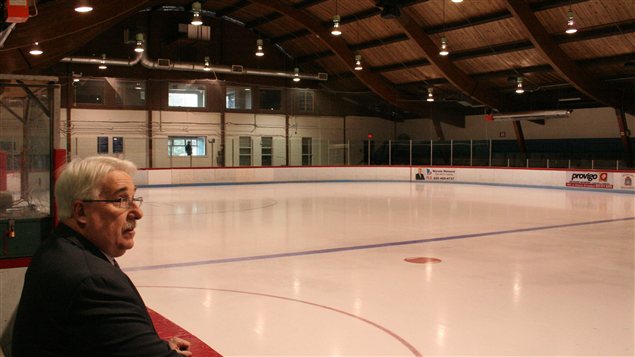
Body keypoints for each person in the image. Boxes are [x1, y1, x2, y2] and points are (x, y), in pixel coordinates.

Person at [12, 156, 192, 357]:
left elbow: (101, 340)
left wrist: (150, 346)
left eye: (134, 199)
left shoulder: (58, 247)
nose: (138, 212)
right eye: (121, 200)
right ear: (81, 211)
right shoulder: (93, 282)